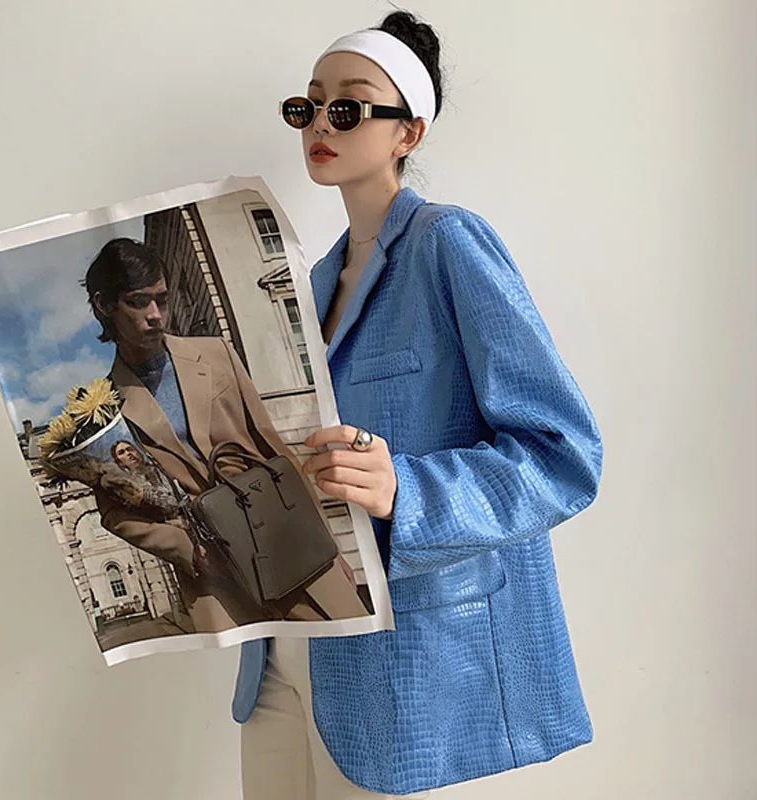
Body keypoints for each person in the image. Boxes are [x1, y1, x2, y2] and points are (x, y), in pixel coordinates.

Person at [234, 10, 604, 799]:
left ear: (410, 131)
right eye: (308, 106)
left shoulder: (448, 243)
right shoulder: (308, 284)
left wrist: (405, 488)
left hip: (400, 664)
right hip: (280, 656)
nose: (320, 124)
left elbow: (563, 454)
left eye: (348, 106)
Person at [82, 238, 367, 633]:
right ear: (104, 305)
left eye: (161, 299)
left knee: (352, 643)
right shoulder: (103, 409)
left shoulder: (215, 354)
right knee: (262, 671)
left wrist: (328, 543)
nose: (155, 315)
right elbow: (116, 514)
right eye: (138, 302)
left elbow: (273, 449)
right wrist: (188, 552)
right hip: (216, 578)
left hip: (288, 538)